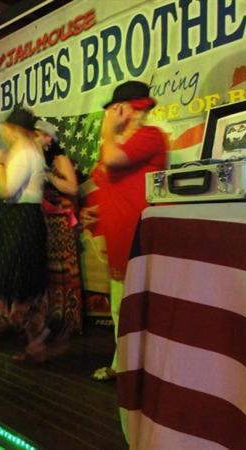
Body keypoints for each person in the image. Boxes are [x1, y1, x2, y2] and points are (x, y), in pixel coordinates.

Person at [88, 80, 168, 381]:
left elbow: (111, 162)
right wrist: (99, 210)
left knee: (137, 306)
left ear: (126, 109)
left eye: (113, 109)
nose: (109, 115)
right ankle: (122, 364)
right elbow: (111, 181)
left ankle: (141, 370)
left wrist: (108, 130)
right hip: (120, 235)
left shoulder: (150, 135)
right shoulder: (120, 142)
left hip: (139, 234)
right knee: (120, 307)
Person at [0, 107, 49, 361]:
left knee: (19, 281)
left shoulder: (24, 152)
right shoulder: (28, 150)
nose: (2, 131)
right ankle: (32, 342)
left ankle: (35, 344)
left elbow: (7, 190)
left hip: (20, 220)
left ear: (14, 129)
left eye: (5, 126)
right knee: (22, 281)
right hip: (22, 219)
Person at [35, 119, 83, 342]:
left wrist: (49, 176)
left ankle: (69, 322)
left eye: (38, 134)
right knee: (49, 274)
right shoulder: (35, 161)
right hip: (44, 224)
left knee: (64, 272)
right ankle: (51, 322)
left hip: (62, 224)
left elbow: (73, 188)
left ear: (49, 139)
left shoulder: (59, 160)